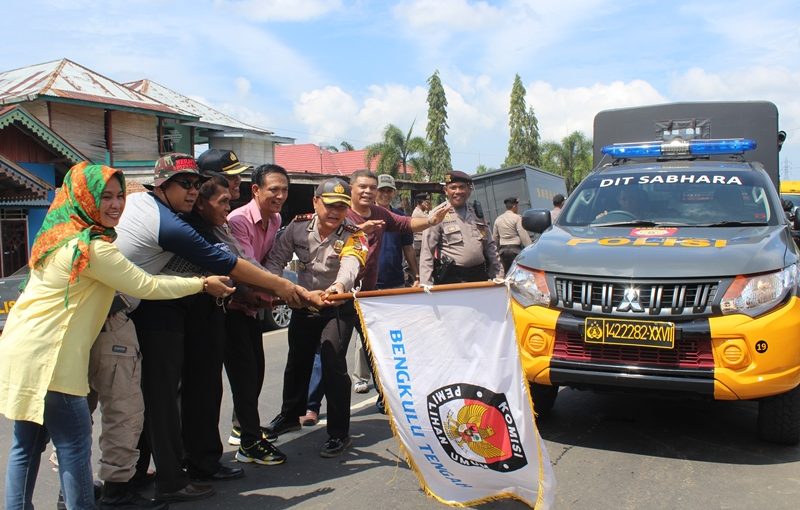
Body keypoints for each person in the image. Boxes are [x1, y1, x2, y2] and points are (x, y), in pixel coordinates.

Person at [0, 162, 232, 510]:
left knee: (27, 446)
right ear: (83, 198)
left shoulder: (55, 236)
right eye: (104, 196)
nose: (115, 204)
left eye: (120, 196)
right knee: (75, 444)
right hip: (53, 360)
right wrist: (202, 284)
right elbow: (146, 285)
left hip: (21, 350)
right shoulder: (93, 248)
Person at [111, 153, 316, 503]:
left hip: (170, 312)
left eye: (195, 184)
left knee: (191, 393)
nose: (231, 194)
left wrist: (265, 294)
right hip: (144, 314)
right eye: (189, 185)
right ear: (164, 185)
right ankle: (152, 481)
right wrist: (282, 287)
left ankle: (159, 470)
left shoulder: (180, 215)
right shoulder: (173, 223)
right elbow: (229, 261)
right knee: (153, 401)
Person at [264, 178, 368, 457]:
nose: (335, 212)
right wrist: (277, 285)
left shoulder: (353, 234)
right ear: (315, 202)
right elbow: (275, 259)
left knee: (333, 363)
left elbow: (351, 264)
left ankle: (339, 433)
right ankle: (289, 416)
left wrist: (337, 287)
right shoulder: (297, 228)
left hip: (336, 305)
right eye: (331, 205)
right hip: (303, 304)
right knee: (297, 361)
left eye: (342, 208)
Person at [224, 164, 291, 461]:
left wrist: (270, 291)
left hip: (252, 306)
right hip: (230, 307)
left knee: (256, 371)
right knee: (244, 374)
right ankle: (249, 443)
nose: (280, 196)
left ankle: (244, 429)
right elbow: (247, 264)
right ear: (256, 190)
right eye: (273, 189)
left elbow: (271, 260)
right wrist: (284, 289)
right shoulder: (237, 219)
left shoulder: (276, 219)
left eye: (284, 190)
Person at [352, 174, 417, 394]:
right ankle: (361, 377)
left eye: (389, 190)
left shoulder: (397, 217)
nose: (384, 193)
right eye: (381, 190)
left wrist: (415, 274)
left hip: (394, 280)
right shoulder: (355, 216)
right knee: (365, 335)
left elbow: (408, 249)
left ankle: (390, 379)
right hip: (369, 283)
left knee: (394, 333)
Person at [419, 171, 503, 285]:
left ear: (469, 190)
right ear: (445, 190)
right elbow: (427, 252)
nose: (457, 191)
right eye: (453, 187)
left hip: (479, 275)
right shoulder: (437, 214)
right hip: (452, 278)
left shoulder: (477, 213)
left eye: (462, 187)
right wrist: (426, 284)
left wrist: (499, 275)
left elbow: (490, 246)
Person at [492, 197, 532, 273]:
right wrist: (530, 249)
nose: (518, 208)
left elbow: (495, 237)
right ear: (514, 206)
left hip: (503, 252)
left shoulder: (498, 219)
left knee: (506, 274)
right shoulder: (517, 218)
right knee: (518, 274)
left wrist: (495, 252)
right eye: (517, 206)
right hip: (515, 251)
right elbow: (523, 236)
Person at [411, 192, 432, 261]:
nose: (427, 204)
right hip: (419, 241)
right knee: (421, 261)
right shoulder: (418, 213)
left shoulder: (422, 211)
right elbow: (431, 221)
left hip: (422, 240)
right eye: (426, 202)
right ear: (422, 203)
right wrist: (429, 209)